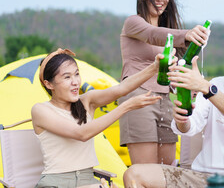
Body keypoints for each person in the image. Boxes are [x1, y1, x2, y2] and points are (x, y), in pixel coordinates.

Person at [122, 25, 224, 188]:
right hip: (200, 176)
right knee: (134, 174)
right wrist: (182, 119)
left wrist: (206, 88)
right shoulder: (217, 83)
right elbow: (192, 126)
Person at [32, 48, 163, 187]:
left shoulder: (86, 101)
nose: (75, 82)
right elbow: (81, 133)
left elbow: (121, 89)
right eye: (67, 77)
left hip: (88, 180)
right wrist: (126, 107)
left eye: (77, 74)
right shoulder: (41, 110)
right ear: (49, 84)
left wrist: (154, 68)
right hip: (56, 183)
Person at [119, 0, 209, 165]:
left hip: (167, 100)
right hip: (139, 97)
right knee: (147, 171)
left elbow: (181, 69)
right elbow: (152, 33)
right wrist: (185, 34)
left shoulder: (168, 32)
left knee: (167, 171)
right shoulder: (134, 23)